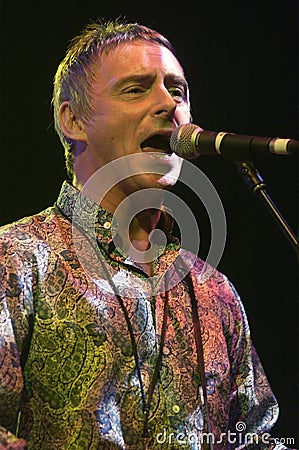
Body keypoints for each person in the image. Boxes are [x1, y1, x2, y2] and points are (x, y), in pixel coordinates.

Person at [0, 18, 293, 450]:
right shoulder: (15, 261)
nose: (166, 104)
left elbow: (253, 437)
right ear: (74, 121)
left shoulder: (214, 292)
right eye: (136, 89)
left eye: (177, 90)